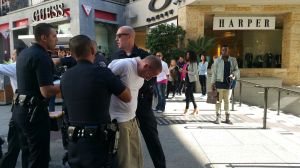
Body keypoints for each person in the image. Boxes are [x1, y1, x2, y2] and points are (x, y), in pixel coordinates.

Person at [60, 35, 131, 168]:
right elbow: (127, 97)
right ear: (93, 50)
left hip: (74, 142)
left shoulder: (65, 77)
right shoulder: (103, 73)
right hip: (98, 143)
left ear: (72, 54)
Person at [112, 25, 166, 168]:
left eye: (119, 35)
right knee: (122, 143)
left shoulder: (144, 55)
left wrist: (135, 90)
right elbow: (109, 78)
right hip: (122, 108)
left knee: (152, 138)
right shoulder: (116, 56)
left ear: (129, 36)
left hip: (142, 104)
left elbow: (152, 78)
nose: (116, 38)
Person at [12, 23, 60, 168]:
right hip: (33, 114)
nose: (56, 39)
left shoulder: (25, 53)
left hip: (19, 111)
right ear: (44, 37)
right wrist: (65, 85)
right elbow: (46, 91)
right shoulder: (42, 56)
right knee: (39, 158)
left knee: (27, 154)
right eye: (54, 36)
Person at [108, 55, 162, 168]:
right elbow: (104, 78)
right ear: (146, 66)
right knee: (124, 160)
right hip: (119, 121)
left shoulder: (141, 74)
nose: (149, 78)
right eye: (150, 75)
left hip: (132, 119)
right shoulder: (126, 65)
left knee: (136, 157)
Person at [0, 40, 28, 168]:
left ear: (19, 55)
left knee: (15, 141)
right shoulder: (27, 64)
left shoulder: (16, 66)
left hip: (19, 106)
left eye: (13, 54)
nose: (12, 57)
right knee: (22, 141)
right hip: (26, 106)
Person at [211, 44, 240, 124]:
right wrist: (212, 83)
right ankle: (218, 118)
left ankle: (227, 118)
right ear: (221, 51)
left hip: (229, 84)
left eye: (226, 50)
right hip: (219, 84)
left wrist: (233, 74)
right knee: (218, 101)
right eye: (223, 50)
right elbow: (214, 73)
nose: (224, 51)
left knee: (227, 101)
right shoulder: (217, 60)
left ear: (228, 51)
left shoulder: (233, 60)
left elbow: (237, 70)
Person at [183, 50, 198, 115]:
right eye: (187, 54)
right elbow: (186, 71)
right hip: (187, 79)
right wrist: (183, 71)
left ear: (191, 55)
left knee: (187, 94)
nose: (187, 55)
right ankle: (195, 107)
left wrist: (186, 72)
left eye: (188, 54)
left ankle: (187, 108)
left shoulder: (194, 63)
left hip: (191, 80)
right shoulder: (187, 62)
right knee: (190, 94)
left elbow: (195, 72)